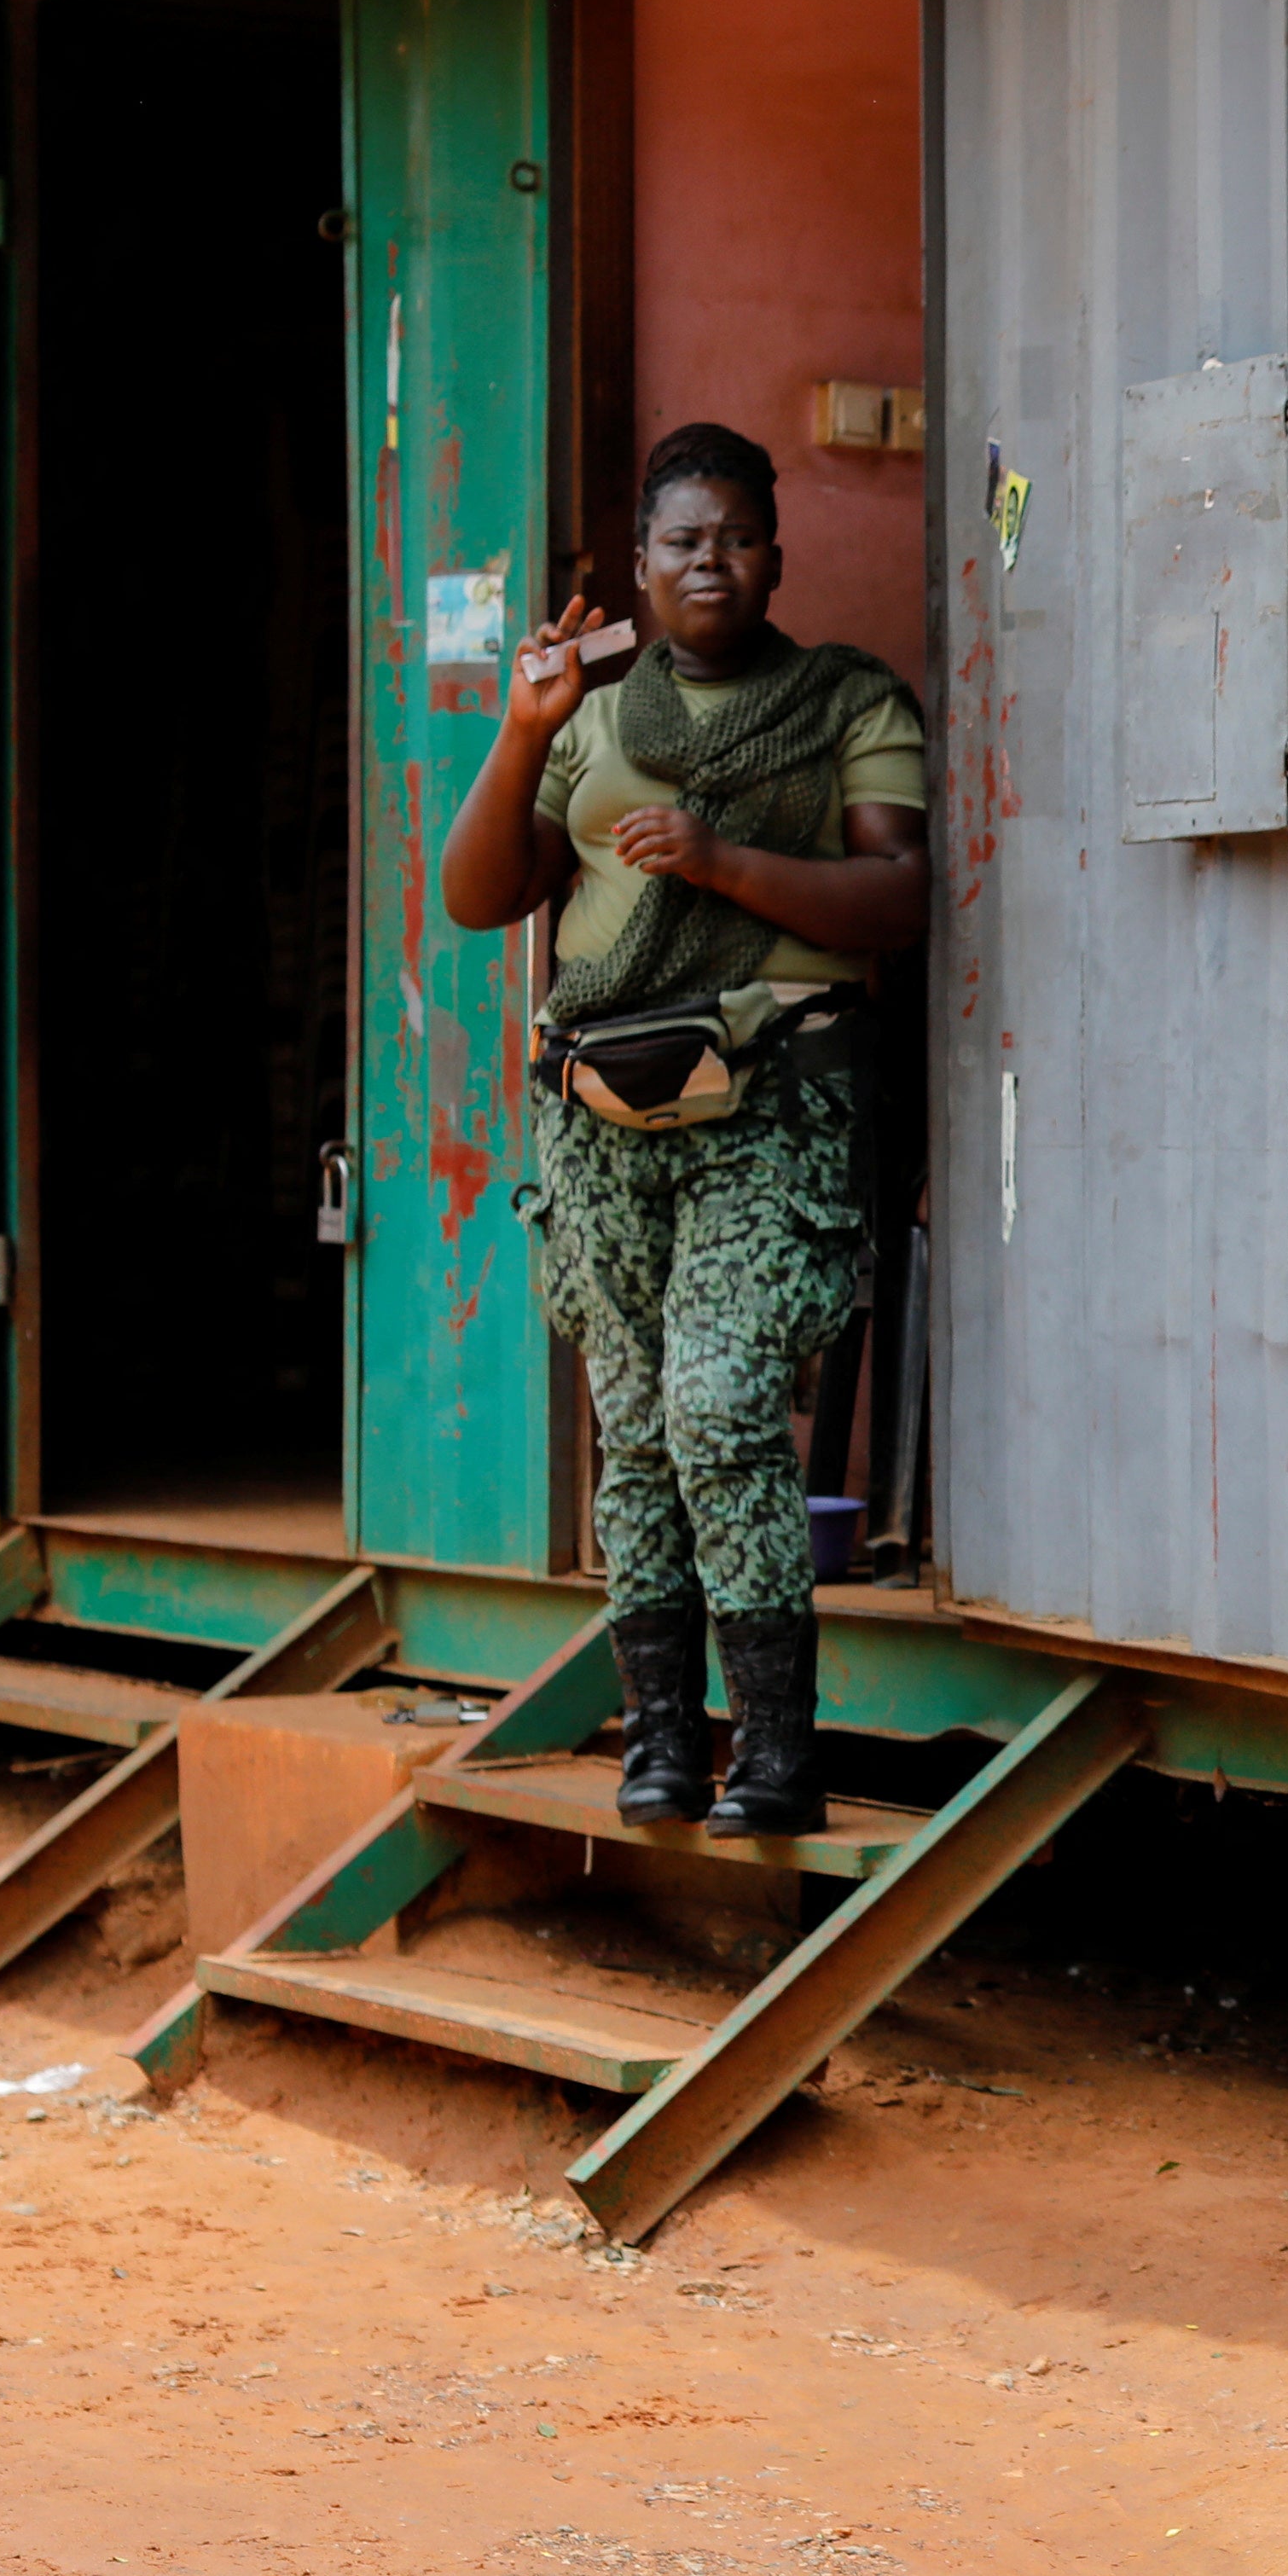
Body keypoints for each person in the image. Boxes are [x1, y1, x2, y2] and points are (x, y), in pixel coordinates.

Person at [437, 421, 927, 1836]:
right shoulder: (590, 720)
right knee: (637, 1425)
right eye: (679, 540)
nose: (709, 559)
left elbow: (897, 901)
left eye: (736, 535)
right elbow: (484, 895)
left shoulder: (844, 700)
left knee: (719, 1403)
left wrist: (722, 861)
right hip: (606, 1115)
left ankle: (777, 1748)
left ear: (777, 552)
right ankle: (663, 1735)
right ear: (640, 569)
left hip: (777, 1101)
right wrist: (524, 727)